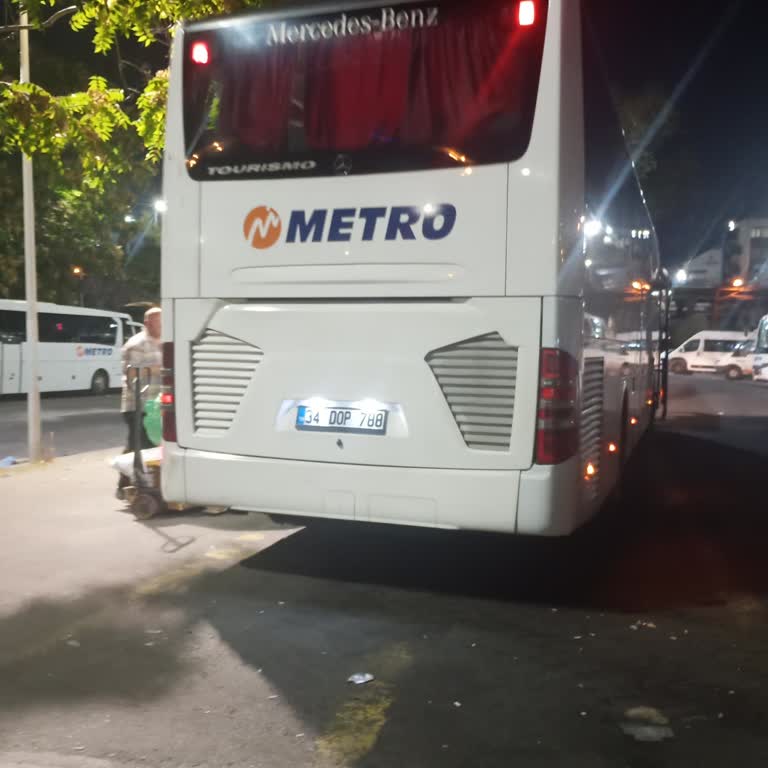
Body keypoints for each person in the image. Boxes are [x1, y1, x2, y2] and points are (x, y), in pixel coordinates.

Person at [117, 307, 162, 499]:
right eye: (159, 321)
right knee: (140, 446)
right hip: (137, 404)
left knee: (141, 446)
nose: (163, 325)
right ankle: (135, 487)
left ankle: (127, 485)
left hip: (155, 405)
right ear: (147, 323)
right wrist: (159, 369)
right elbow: (131, 373)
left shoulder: (162, 342)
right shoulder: (137, 344)